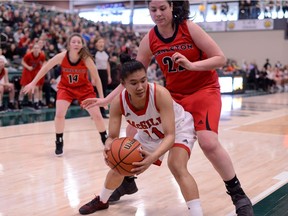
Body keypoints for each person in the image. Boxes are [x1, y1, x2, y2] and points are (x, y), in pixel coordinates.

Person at [85, 1, 254, 215]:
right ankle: (128, 180)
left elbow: (220, 58)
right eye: (153, 10)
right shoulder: (150, 39)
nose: (158, 14)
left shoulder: (188, 28)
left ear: (172, 6)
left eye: (162, 8)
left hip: (203, 90)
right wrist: (106, 100)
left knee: (208, 142)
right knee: (131, 133)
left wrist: (193, 66)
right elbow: (132, 75)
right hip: (175, 96)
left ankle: (238, 194)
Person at [79, 55, 203, 216]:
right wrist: (108, 147)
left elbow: (170, 135)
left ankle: (196, 212)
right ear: (123, 84)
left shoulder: (160, 94)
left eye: (143, 80)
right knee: (119, 163)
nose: (140, 86)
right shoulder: (118, 102)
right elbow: (112, 136)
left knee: (176, 165)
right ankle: (102, 200)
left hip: (179, 128)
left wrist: (152, 158)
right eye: (134, 83)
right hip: (149, 134)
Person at [23, 32, 108, 156]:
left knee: (97, 116)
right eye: (73, 42)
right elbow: (46, 68)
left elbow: (97, 78)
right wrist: (33, 82)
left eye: (79, 42)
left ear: (82, 45)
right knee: (59, 114)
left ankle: (105, 138)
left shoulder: (86, 58)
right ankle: (59, 140)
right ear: (69, 44)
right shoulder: (62, 56)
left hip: (84, 89)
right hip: (66, 88)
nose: (76, 44)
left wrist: (102, 99)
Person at [18, 42, 46, 110]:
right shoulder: (28, 55)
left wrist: (43, 67)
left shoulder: (42, 55)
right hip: (27, 71)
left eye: (37, 48)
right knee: (24, 87)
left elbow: (44, 62)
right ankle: (20, 101)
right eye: (35, 48)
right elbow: (22, 62)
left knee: (36, 87)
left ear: (40, 49)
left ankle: (36, 103)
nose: (36, 49)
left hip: (35, 72)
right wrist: (28, 67)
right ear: (32, 49)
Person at [94, 37, 112, 118]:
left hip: (104, 73)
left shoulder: (106, 53)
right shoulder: (93, 53)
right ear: (96, 44)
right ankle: (95, 113)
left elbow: (107, 65)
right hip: (97, 73)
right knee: (96, 93)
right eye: (99, 42)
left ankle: (103, 112)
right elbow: (92, 66)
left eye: (102, 42)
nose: (101, 43)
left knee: (103, 93)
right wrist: (93, 78)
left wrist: (109, 76)